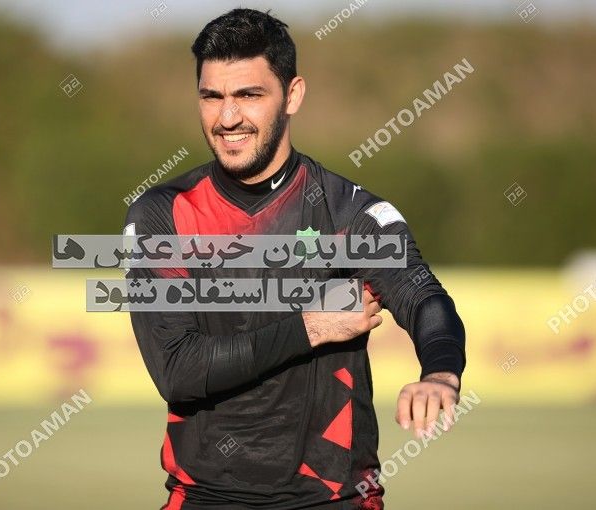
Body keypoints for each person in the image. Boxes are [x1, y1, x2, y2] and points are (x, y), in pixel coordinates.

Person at [124, 8, 466, 509]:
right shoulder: (161, 214)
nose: (227, 118)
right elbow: (178, 369)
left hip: (335, 497)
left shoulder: (350, 212)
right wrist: (313, 325)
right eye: (212, 96)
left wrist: (440, 373)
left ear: (293, 95)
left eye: (249, 95)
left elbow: (424, 298)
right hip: (204, 497)